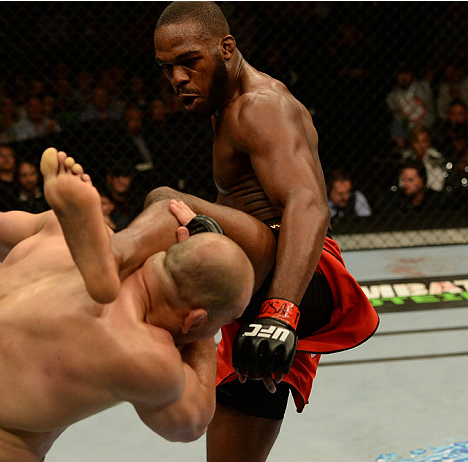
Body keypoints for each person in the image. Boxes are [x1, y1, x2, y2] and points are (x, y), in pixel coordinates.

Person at [0, 147, 259, 462]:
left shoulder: (59, 236)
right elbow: (191, 424)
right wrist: (205, 336)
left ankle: (118, 252)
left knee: (136, 223)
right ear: (194, 318)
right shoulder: (142, 354)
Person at [153, 3, 379, 461]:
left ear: (227, 48)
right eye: (167, 67)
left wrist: (281, 313)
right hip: (267, 286)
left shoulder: (260, 106)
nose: (177, 78)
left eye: (189, 61)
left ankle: (89, 281)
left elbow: (309, 203)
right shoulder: (227, 103)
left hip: (296, 279)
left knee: (161, 203)